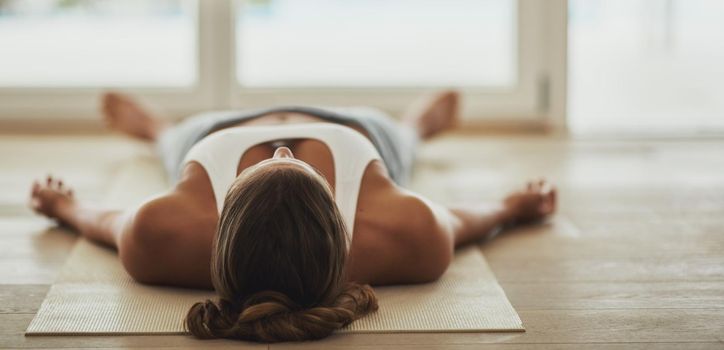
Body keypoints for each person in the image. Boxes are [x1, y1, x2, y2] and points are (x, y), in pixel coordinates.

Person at [29, 91, 556, 342]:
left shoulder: (165, 233)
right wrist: (514, 207)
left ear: (221, 221)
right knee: (402, 141)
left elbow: (106, 221)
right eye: (297, 165)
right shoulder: (400, 231)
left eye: (274, 162)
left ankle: (156, 128)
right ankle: (417, 126)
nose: (282, 149)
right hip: (360, 124)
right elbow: (464, 221)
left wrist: (65, 207)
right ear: (343, 224)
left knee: (174, 141)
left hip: (213, 126)